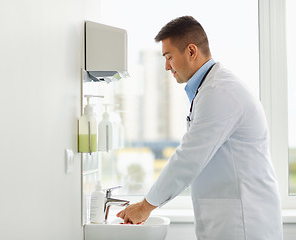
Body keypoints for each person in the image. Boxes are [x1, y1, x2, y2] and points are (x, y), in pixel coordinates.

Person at [117, 16, 283, 240]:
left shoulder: (220, 92)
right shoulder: (208, 90)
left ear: (191, 51)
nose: (166, 66)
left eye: (168, 57)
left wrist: (146, 206)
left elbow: (189, 158)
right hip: (229, 218)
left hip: (244, 221)